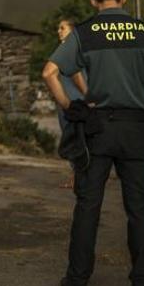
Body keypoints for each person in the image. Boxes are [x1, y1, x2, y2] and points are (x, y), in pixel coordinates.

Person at [42, 0, 144, 286]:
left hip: (96, 127)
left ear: (93, 1)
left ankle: (77, 282)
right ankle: (143, 284)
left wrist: (72, 105)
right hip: (136, 129)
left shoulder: (84, 32)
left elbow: (50, 72)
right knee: (139, 209)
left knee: (88, 206)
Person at [55, 18, 86, 189]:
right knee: (70, 138)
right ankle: (76, 176)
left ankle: (78, 178)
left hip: (74, 102)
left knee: (76, 139)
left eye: (62, 28)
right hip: (65, 102)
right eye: (58, 28)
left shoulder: (74, 51)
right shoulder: (63, 50)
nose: (59, 31)